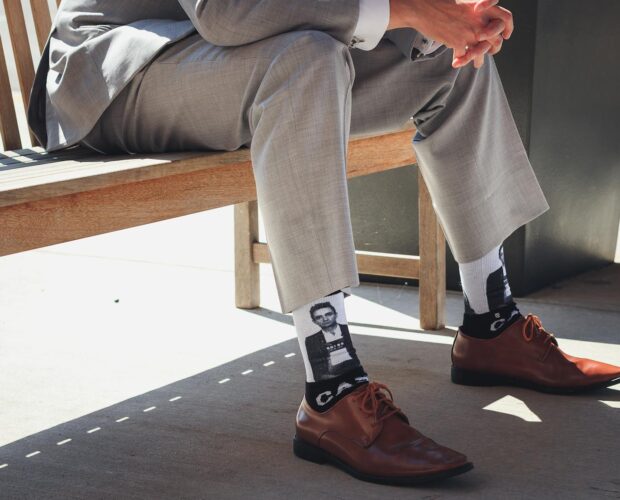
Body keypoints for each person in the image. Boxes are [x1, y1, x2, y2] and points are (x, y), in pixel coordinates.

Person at [28, 0, 620, 486]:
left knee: (448, 57)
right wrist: (410, 9)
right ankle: (331, 387)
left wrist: (454, 14)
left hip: (239, 59)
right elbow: (226, 14)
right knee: (304, 60)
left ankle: (492, 323)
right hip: (122, 73)